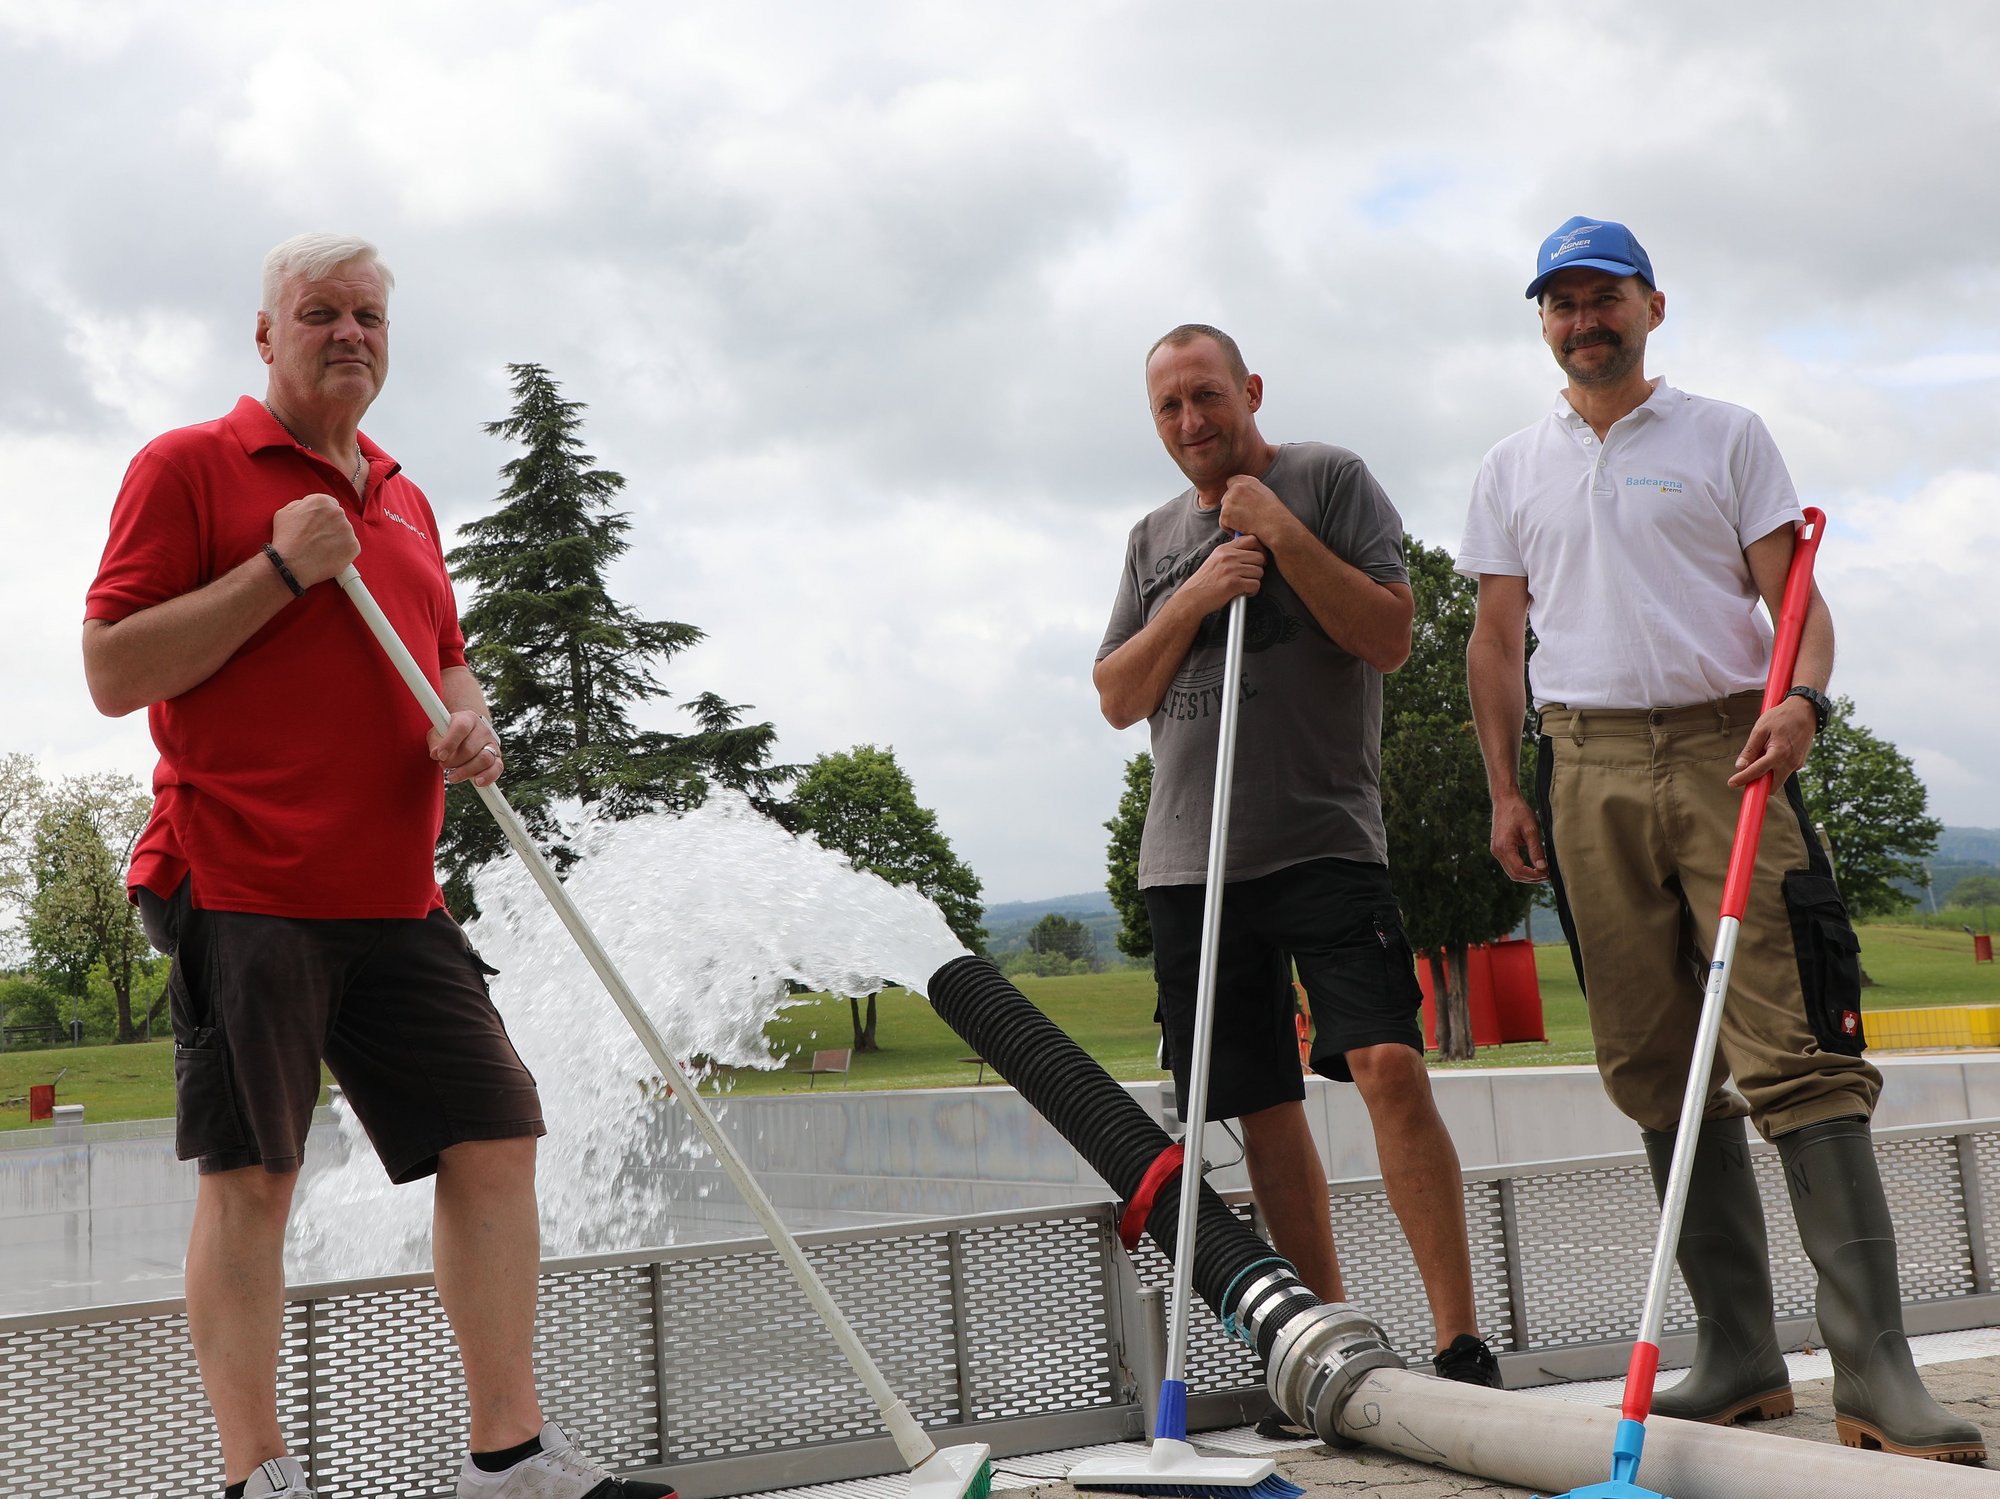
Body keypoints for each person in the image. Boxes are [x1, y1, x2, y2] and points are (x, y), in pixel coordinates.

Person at [82, 234, 676, 1499]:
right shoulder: (188, 466)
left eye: (368, 316)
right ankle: (261, 1478)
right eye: (319, 313)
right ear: (265, 336)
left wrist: (471, 722)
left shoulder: (403, 495)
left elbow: (441, 654)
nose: (348, 332)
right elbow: (114, 671)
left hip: (395, 893)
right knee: (256, 1175)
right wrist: (282, 567)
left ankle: (509, 1457)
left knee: (494, 1132)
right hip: (238, 879)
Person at [1461, 216, 1982, 1463]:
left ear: (1650, 306)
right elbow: (1491, 639)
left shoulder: (1722, 434)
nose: (1581, 320)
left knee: (1791, 1047)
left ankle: (1876, 1375)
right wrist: (1502, 789)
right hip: (1578, 765)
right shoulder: (1506, 467)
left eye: (1603, 298)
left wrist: (1797, 701)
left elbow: (1794, 607)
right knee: (1652, 1062)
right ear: (1541, 320)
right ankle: (1737, 1356)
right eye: (1559, 302)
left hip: (1724, 752)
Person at [1095, 323, 1501, 1400]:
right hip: (1189, 864)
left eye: (1206, 396)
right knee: (1259, 1101)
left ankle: (1459, 1344)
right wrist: (1192, 593)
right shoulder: (1148, 539)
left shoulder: (1327, 479)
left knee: (1385, 1063)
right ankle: (1333, 1353)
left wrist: (1275, 528)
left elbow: (1388, 634)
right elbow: (1116, 694)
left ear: (1248, 389)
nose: (1191, 422)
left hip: (1321, 839)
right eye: (1169, 408)